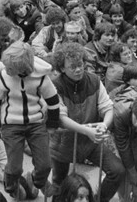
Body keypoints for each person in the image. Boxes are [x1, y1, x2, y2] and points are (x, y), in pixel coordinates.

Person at [49, 42, 125, 202]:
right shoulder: (54, 85)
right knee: (59, 184)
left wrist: (104, 124)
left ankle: (97, 199)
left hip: (90, 142)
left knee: (117, 171)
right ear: (62, 68)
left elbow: (107, 107)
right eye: (73, 67)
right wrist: (88, 131)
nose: (78, 69)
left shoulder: (94, 80)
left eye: (81, 64)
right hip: (63, 143)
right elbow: (61, 119)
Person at [0, 41, 60, 201]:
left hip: (36, 123)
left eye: (11, 68)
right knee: (14, 167)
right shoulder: (4, 77)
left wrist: (52, 125)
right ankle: (12, 186)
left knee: (45, 164)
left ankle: (37, 180)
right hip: (11, 125)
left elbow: (53, 101)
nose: (6, 70)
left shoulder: (40, 78)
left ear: (22, 68)